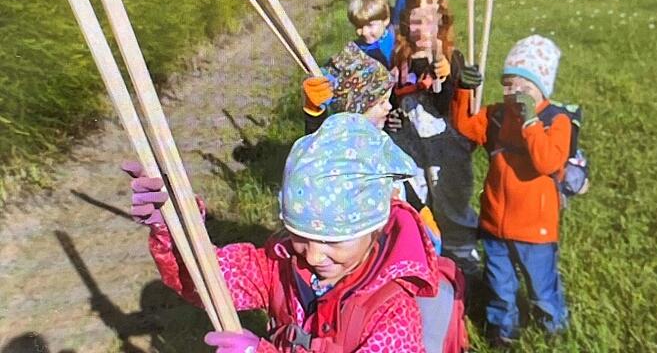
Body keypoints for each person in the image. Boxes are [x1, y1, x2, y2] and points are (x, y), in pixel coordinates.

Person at [125, 113, 444, 352]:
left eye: (334, 240)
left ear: (375, 226)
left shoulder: (393, 311)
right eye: (300, 235)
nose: (314, 255)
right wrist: (174, 225)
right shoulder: (281, 263)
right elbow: (208, 281)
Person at [451, 35, 570, 344]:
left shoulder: (555, 120)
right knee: (499, 285)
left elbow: (547, 162)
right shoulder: (497, 115)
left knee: (541, 287)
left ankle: (553, 330)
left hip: (535, 229)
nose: (516, 93)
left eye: (525, 87)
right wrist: (464, 90)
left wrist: (530, 122)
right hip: (495, 225)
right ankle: (503, 334)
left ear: (541, 88)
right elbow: (465, 126)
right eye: (508, 85)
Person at [302, 42, 442, 253]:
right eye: (380, 103)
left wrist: (421, 210)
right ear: (356, 110)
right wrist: (314, 113)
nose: (389, 106)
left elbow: (399, 178)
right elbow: (318, 149)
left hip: (406, 234)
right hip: (375, 248)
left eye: (388, 100)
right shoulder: (343, 148)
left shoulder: (379, 138)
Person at [389, 0, 481, 279]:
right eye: (415, 19)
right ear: (407, 21)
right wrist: (392, 117)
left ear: (441, 21)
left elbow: (447, 107)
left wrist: (450, 77)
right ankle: (424, 261)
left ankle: (464, 264)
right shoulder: (401, 58)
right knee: (414, 201)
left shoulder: (451, 57)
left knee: (450, 200)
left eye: (429, 19)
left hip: (445, 147)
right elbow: (393, 101)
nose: (422, 28)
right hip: (411, 146)